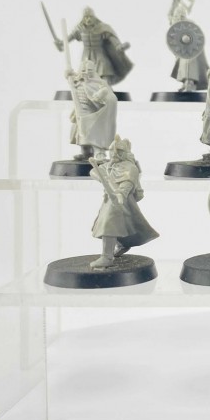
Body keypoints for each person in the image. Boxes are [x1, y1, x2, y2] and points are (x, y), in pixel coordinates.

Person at [90, 136, 158, 269]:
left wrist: (120, 194)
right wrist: (103, 178)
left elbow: (126, 186)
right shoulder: (110, 165)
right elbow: (94, 171)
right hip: (110, 200)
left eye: (119, 151)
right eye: (112, 150)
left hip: (120, 202)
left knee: (108, 225)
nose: (114, 154)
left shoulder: (130, 168)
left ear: (126, 152)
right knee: (120, 225)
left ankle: (106, 257)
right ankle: (124, 243)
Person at [58, 6, 133, 86]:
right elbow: (67, 40)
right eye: (86, 17)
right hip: (86, 55)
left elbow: (111, 37)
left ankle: (106, 88)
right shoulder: (79, 29)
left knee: (104, 70)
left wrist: (119, 46)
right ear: (83, 18)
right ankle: (87, 89)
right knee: (84, 75)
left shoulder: (102, 27)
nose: (88, 19)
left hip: (99, 53)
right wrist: (61, 43)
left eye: (90, 17)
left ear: (94, 18)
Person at [67, 60, 117, 161]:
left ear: (93, 71)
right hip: (80, 110)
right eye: (83, 70)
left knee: (93, 132)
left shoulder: (99, 83)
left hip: (93, 111)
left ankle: (99, 152)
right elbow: (70, 76)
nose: (86, 72)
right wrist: (68, 74)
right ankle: (86, 153)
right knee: (81, 134)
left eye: (89, 70)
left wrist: (101, 94)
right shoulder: (77, 82)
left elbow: (110, 96)